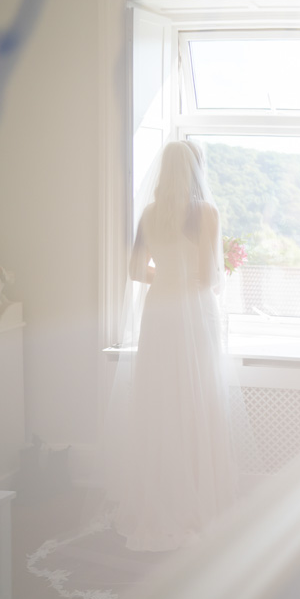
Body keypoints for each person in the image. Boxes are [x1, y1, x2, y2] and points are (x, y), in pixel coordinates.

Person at [109, 141, 238, 552]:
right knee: (196, 402)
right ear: (197, 170)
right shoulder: (208, 215)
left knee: (160, 403)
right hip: (193, 317)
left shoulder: (149, 213)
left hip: (159, 315)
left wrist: (163, 276)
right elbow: (206, 279)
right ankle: (195, 500)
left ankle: (162, 498)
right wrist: (198, 275)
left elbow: (133, 269)